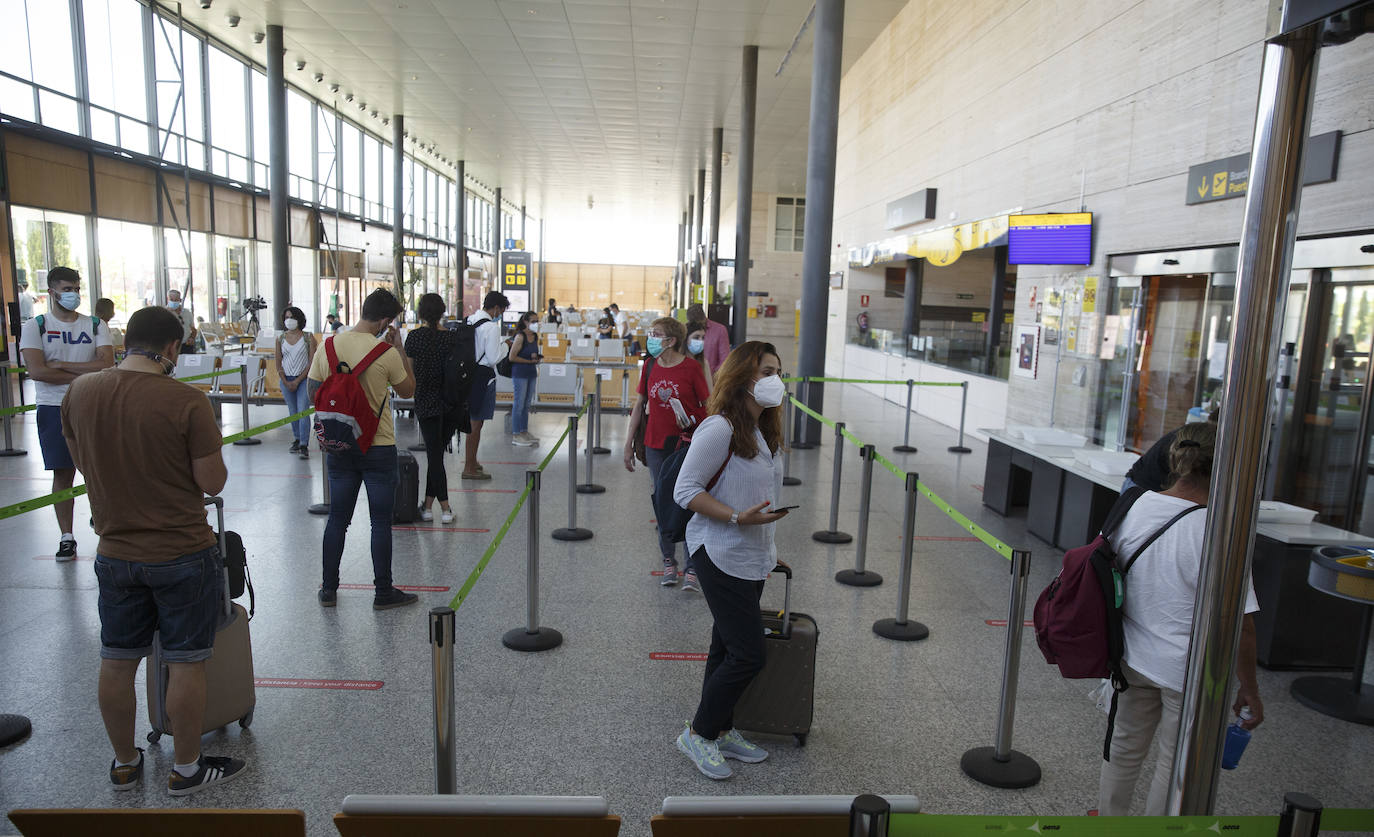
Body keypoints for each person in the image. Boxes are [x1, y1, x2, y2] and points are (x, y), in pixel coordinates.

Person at [62, 305, 247, 795]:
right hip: (181, 551)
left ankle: (124, 764)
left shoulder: (80, 393)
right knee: (186, 662)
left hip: (115, 551)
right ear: (172, 348)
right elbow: (211, 481)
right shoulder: (185, 401)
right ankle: (187, 769)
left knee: (117, 660)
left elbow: (83, 465)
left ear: (126, 340)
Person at [1097, 422, 1263, 815]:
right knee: (1175, 767)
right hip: (1188, 672)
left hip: (1130, 656)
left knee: (1121, 751)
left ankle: (1108, 826)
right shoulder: (1220, 531)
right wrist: (1250, 687)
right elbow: (1242, 624)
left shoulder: (1134, 504)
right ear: (1226, 467)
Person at [670, 341, 790, 779]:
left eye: (779, 371)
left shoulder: (764, 432)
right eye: (766, 372)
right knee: (748, 654)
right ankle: (698, 733)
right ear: (742, 377)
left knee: (725, 646)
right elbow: (684, 491)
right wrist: (738, 517)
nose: (776, 380)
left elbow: (760, 493)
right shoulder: (718, 429)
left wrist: (766, 534)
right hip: (717, 551)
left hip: (753, 553)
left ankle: (720, 728)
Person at [307, 288, 419, 610]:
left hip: (340, 444)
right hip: (378, 446)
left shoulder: (329, 345)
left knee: (338, 519)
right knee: (380, 522)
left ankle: (328, 590)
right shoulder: (384, 352)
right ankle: (383, 592)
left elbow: (313, 393)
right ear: (385, 320)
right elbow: (408, 390)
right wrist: (397, 348)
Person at [19, 266, 114, 560]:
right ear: (52, 292)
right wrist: (82, 371)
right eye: (66, 289)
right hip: (52, 407)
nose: (72, 294)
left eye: (76, 288)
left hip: (91, 402)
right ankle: (67, 536)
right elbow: (37, 372)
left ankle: (103, 521)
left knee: (98, 468)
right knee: (63, 472)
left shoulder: (96, 325)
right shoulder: (35, 326)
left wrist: (59, 365)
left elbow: (106, 364)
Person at [622, 317, 710, 589]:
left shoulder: (691, 368)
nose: (650, 337)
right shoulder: (649, 366)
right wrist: (627, 443)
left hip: (687, 444)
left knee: (689, 501)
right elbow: (640, 405)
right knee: (662, 501)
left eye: (656, 334)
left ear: (671, 340)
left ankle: (692, 566)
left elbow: (709, 405)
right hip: (656, 444)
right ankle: (668, 561)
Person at [405, 293, 465, 523]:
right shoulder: (451, 338)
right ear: (442, 313)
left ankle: (445, 508)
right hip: (450, 403)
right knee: (436, 455)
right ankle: (428, 507)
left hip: (426, 401)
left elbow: (409, 374)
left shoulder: (414, 338)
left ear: (420, 313)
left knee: (435, 455)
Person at [462, 291, 509, 481]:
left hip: (467, 376)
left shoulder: (469, 320)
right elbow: (493, 358)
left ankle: (472, 462)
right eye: (501, 311)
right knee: (476, 423)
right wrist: (505, 346)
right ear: (496, 308)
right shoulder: (491, 327)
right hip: (482, 377)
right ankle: (469, 467)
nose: (500, 315)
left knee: (473, 422)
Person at [274, 306, 316, 460]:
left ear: (299, 319)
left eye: (291, 317)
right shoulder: (280, 339)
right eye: (286, 317)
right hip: (286, 380)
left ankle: (304, 443)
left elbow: (311, 362)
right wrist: (285, 380)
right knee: (293, 411)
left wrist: (298, 380)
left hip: (303, 379)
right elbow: (278, 361)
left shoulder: (308, 338)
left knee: (302, 410)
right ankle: (297, 438)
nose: (288, 320)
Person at [508, 311, 543, 447]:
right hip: (520, 373)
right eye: (533, 321)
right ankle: (516, 433)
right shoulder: (520, 336)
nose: (536, 324)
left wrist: (535, 358)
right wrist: (528, 361)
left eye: (537, 321)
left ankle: (524, 431)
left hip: (531, 373)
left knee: (527, 404)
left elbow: (532, 352)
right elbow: (512, 357)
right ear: (526, 322)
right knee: (519, 403)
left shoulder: (534, 336)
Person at [687, 303, 730, 373]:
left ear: (704, 317)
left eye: (701, 324)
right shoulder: (686, 330)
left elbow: (725, 360)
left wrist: (711, 376)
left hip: (712, 377)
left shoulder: (720, 330)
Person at [684, 320, 714, 392]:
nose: (700, 341)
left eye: (703, 337)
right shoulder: (677, 362)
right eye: (696, 337)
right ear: (685, 339)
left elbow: (710, 392)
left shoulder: (703, 363)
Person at [166, 289, 197, 354]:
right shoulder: (164, 313)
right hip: (170, 347)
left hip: (186, 346)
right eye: (171, 299)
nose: (174, 302)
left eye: (176, 300)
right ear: (167, 300)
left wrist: (192, 338)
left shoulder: (187, 313)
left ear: (180, 300)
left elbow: (193, 330)